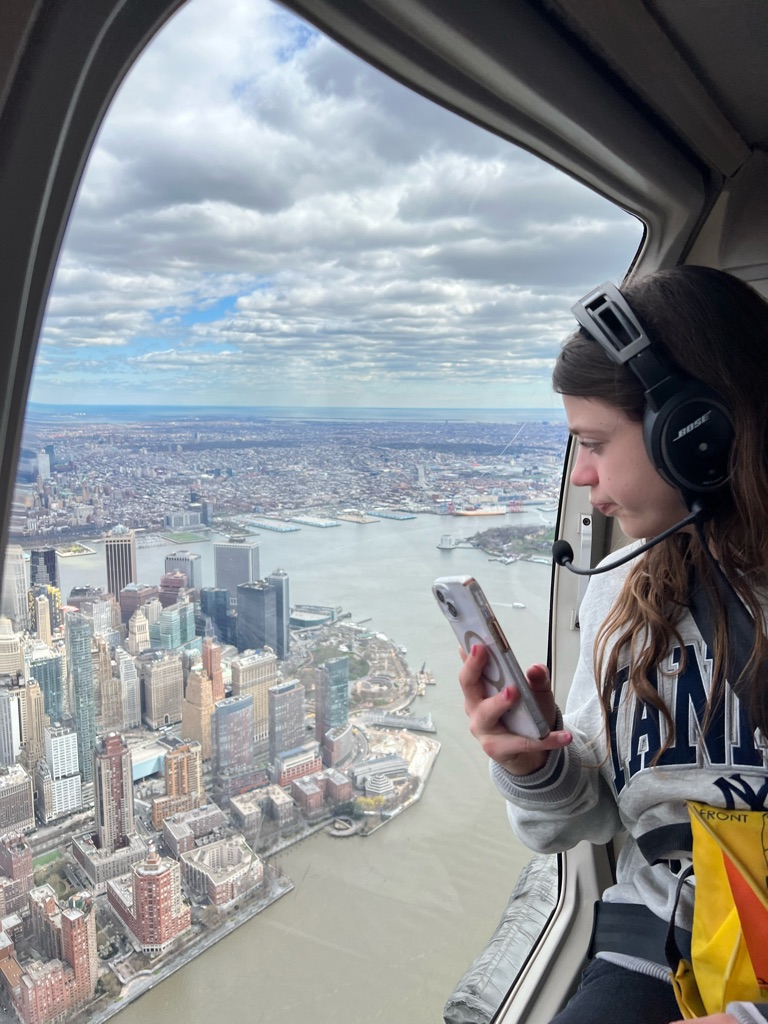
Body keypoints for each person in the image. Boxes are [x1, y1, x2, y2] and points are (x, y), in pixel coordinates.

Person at [459, 266, 768, 1024]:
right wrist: (536, 766)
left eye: (595, 443)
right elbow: (590, 819)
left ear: (695, 431)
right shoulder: (619, 591)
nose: (583, 477)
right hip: (659, 940)